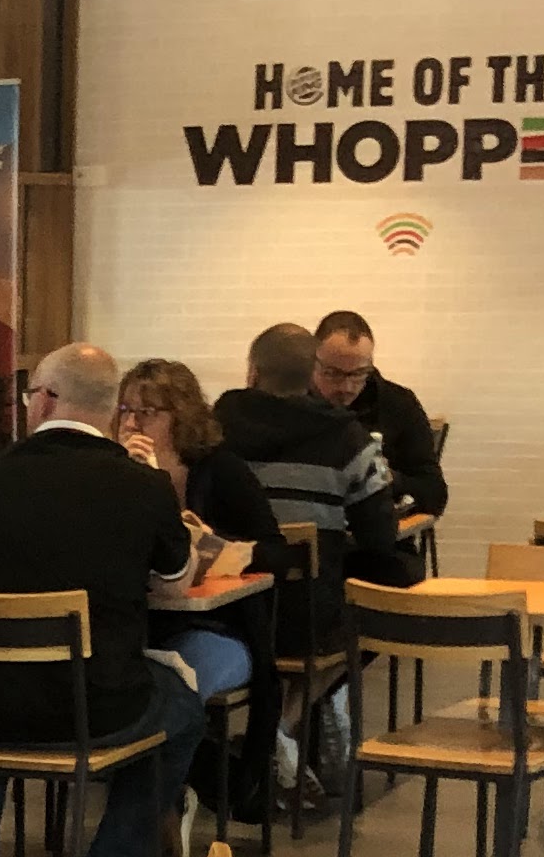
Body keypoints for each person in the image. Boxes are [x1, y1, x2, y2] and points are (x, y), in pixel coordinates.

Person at [0, 343, 204, 857]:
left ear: (46, 400)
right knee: (183, 708)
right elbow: (175, 581)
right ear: (110, 409)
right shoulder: (142, 485)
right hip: (92, 709)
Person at [114, 356, 276, 827]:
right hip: (139, 625)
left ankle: (159, 812)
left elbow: (277, 550)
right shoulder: (113, 474)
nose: (131, 423)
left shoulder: (221, 471)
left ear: (180, 416)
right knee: (111, 690)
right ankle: (174, 794)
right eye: (125, 410)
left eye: (147, 413)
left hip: (217, 626)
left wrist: (221, 549)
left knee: (175, 690)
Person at [212, 322, 420, 584]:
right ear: (312, 376)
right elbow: (379, 536)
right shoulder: (350, 439)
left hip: (229, 592)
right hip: (315, 595)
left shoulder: (213, 431)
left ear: (253, 373)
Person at [311, 308, 447, 523]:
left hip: (376, 534)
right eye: (333, 373)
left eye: (358, 374)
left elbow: (435, 494)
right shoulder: (295, 399)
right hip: (310, 531)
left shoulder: (397, 403)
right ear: (313, 361)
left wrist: (387, 477)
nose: (346, 387)